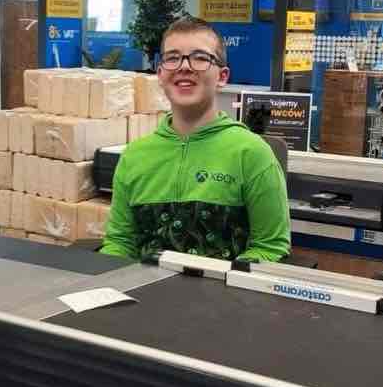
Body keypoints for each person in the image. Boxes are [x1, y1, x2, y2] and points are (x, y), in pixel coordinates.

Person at [100, 16, 290, 263]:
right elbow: (120, 243)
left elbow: (271, 248)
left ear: (222, 76)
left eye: (200, 58)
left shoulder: (252, 154)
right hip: (144, 286)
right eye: (173, 58)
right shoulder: (135, 156)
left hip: (224, 287)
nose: (184, 67)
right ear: (160, 74)